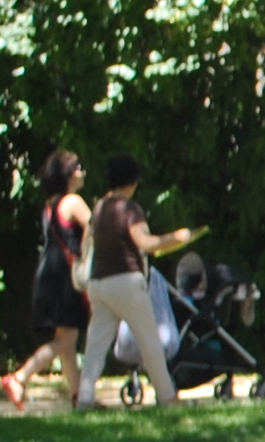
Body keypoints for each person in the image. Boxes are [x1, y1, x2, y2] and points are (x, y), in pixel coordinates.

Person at [77, 154, 201, 407]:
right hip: (127, 282)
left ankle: (84, 398)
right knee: (150, 341)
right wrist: (178, 237)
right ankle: (167, 396)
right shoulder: (129, 209)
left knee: (96, 345)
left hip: (98, 283)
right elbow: (146, 244)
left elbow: (85, 243)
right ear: (133, 181)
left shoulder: (99, 208)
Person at [0, 150, 93, 412]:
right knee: (66, 339)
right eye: (78, 167)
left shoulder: (50, 205)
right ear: (69, 175)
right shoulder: (73, 202)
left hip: (49, 274)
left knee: (66, 340)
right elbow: (95, 229)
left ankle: (79, 396)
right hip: (66, 276)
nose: (82, 172)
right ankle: (20, 377)